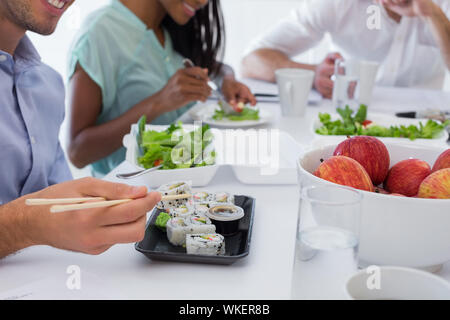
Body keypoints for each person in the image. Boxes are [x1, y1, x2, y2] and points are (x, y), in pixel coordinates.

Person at [0, 0, 161, 259]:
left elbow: (60, 206)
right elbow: (37, 222)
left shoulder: (47, 85)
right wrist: (25, 225)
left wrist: (101, 212)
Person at [67, 0, 257, 177]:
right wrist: (159, 102)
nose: (203, 2)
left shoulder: (168, 25)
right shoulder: (99, 34)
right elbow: (77, 152)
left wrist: (226, 78)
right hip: (132, 195)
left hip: (185, 185)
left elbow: (211, 65)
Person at [241, 0, 450, 98]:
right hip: (351, 123)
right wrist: (313, 73)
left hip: (427, 129)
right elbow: (251, 62)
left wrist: (433, 15)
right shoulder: (339, 4)